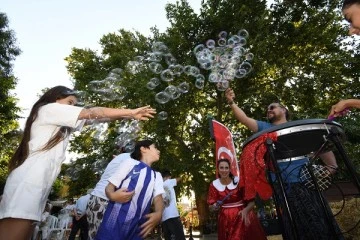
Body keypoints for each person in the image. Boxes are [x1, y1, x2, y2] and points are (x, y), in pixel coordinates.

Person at [0, 85, 156, 240]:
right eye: (70, 103)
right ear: (56, 99)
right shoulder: (48, 109)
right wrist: (130, 111)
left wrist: (129, 116)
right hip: (28, 183)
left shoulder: (60, 124)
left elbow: (98, 117)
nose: (73, 107)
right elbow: (92, 112)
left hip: (36, 185)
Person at [225, 88, 343, 239]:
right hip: (281, 187)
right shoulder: (264, 129)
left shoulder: (299, 127)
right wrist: (231, 102)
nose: (269, 110)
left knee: (317, 222)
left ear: (284, 110)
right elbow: (244, 119)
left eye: (272, 107)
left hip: (306, 183)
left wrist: (331, 167)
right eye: (268, 109)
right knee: (293, 226)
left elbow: (320, 145)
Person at [95, 140, 165, 239]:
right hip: (114, 221)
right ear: (143, 149)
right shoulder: (129, 163)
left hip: (138, 226)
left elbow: (158, 198)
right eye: (155, 147)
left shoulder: (156, 176)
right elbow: (109, 187)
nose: (158, 150)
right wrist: (112, 195)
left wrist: (159, 213)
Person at [207, 159, 267, 240]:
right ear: (217, 169)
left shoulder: (239, 182)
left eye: (226, 168)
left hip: (242, 216)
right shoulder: (213, 185)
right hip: (225, 220)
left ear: (230, 169)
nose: (224, 170)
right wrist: (214, 207)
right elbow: (210, 207)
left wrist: (246, 211)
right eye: (221, 168)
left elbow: (252, 202)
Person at [86, 149, 134, 239]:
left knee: (94, 235)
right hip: (105, 200)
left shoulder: (119, 158)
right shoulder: (130, 159)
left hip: (96, 198)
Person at [161, 170, 186, 240]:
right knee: (179, 237)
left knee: (168, 237)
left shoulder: (158, 186)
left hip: (164, 218)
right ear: (168, 177)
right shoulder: (168, 182)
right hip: (173, 215)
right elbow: (180, 178)